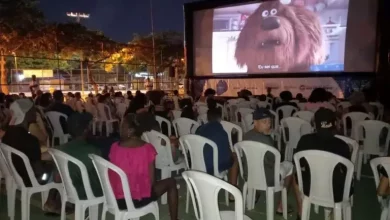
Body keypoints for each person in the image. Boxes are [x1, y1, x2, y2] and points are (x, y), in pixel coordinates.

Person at [109, 113, 178, 220]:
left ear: (131, 130)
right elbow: (152, 183)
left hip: (114, 198)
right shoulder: (148, 149)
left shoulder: (114, 147)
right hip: (137, 200)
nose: (120, 129)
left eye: (122, 126)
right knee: (171, 182)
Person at [293, 108, 352, 219]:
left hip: (309, 186)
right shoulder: (342, 145)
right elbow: (345, 171)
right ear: (334, 123)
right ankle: (334, 213)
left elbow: (298, 164)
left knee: (295, 176)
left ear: (315, 124)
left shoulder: (304, 140)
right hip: (336, 191)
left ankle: (301, 212)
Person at [243, 107, 293, 214]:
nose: (268, 125)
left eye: (269, 122)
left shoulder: (246, 135)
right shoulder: (266, 140)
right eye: (264, 122)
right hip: (267, 178)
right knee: (290, 165)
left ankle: (256, 193)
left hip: (248, 174)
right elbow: (274, 161)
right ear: (255, 123)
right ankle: (280, 205)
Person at [0, 99, 51, 187]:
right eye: (33, 110)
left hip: (15, 177)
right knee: (57, 169)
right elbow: (38, 168)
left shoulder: (6, 135)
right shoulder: (29, 139)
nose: (35, 113)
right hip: (30, 180)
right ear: (26, 114)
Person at [56, 112, 103, 199]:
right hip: (90, 193)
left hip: (68, 191)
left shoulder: (60, 149)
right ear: (86, 129)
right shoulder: (93, 151)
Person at [195, 107, 239, 189]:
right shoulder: (222, 132)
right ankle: (232, 191)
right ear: (220, 118)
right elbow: (225, 153)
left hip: (197, 165)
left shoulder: (199, 129)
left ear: (207, 118)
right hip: (212, 167)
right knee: (235, 159)